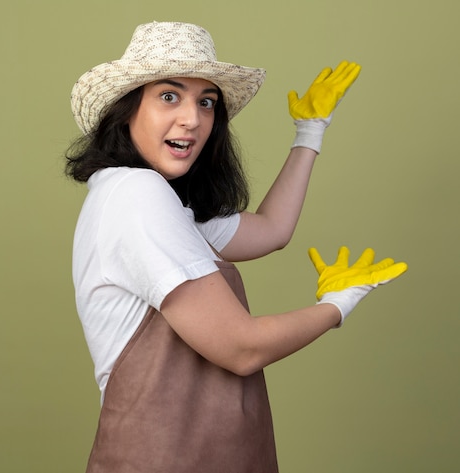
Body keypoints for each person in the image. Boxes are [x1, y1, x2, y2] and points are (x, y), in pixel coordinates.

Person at [65, 21, 407, 473]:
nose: (193, 118)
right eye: (169, 96)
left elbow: (271, 230)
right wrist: (338, 305)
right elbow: (240, 348)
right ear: (126, 110)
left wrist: (309, 134)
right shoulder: (136, 194)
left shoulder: (162, 204)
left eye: (206, 102)